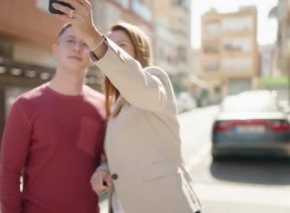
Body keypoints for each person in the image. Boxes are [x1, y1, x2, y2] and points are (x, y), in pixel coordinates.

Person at [52, 1, 202, 213]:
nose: (112, 50)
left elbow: (135, 82)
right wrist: (104, 170)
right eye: (109, 45)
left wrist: (94, 36)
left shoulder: (155, 80)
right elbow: (125, 155)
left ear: (138, 52)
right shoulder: (114, 108)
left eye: (119, 46)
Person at [0, 23, 106, 213]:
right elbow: (9, 173)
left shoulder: (103, 106)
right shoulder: (25, 106)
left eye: (85, 43)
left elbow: (111, 157)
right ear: (55, 49)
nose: (77, 48)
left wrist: (104, 167)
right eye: (70, 41)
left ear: (93, 56)